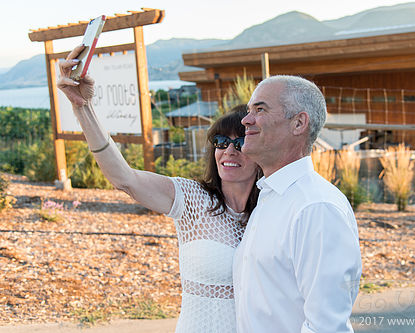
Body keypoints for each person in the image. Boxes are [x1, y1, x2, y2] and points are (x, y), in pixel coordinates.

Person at [57, 45, 260, 333]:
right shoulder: (191, 198)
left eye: (240, 143)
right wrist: (83, 107)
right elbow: (123, 178)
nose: (229, 151)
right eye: (221, 142)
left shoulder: (273, 207)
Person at [234, 75, 362, 332]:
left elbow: (326, 326)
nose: (246, 120)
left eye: (260, 109)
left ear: (299, 123)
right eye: (249, 111)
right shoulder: (271, 197)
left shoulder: (316, 208)